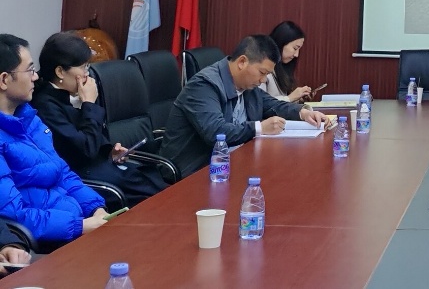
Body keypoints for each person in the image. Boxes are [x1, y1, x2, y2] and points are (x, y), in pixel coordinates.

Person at [161, 34, 333, 177]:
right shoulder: (204, 86)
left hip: (232, 164)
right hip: (195, 172)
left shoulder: (246, 85)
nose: (263, 80)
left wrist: (303, 113)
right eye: (262, 72)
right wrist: (259, 128)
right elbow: (216, 132)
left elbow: (272, 104)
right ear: (242, 62)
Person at [32, 32, 168, 206]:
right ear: (60, 72)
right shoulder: (45, 105)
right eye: (83, 68)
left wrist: (109, 150)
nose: (87, 74)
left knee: (159, 185)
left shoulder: (72, 94)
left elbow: (93, 137)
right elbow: (84, 149)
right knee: (156, 199)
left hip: (102, 168)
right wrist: (89, 104)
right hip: (84, 178)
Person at [0, 34, 108, 243]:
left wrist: (95, 208)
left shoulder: (30, 119)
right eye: (30, 70)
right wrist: (80, 226)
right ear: (4, 80)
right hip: (47, 243)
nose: (35, 77)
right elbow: (14, 216)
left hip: (75, 225)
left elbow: (63, 173)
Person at [259, 21, 312, 102]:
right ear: (281, 42)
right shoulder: (262, 67)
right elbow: (260, 103)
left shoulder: (283, 67)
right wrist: (290, 98)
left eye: (299, 49)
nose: (296, 55)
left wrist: (298, 99)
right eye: (295, 48)